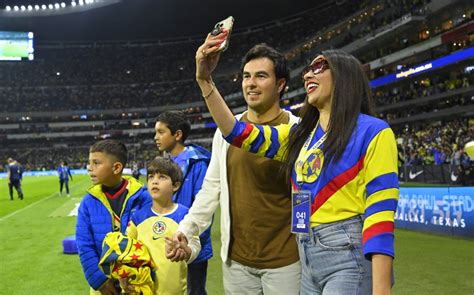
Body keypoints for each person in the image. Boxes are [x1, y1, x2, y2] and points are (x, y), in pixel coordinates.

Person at [191, 32, 398, 294]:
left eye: (320, 67)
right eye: (308, 70)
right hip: (306, 254)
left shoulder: (374, 132)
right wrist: (204, 79)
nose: (309, 74)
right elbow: (236, 133)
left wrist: (381, 289)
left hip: (347, 253)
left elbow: (380, 214)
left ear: (345, 76)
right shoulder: (300, 135)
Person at [173, 44, 301, 294]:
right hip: (238, 263)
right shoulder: (224, 133)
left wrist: (305, 245)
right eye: (246, 76)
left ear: (281, 84)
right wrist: (186, 231)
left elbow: (306, 193)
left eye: (261, 76)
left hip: (287, 261)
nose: (251, 83)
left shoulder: (299, 131)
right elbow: (211, 189)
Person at [76, 139, 152, 295]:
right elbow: (84, 245)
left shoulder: (143, 198)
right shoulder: (88, 203)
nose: (90, 168)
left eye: (96, 163)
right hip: (104, 284)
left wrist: (138, 276)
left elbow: (150, 242)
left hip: (137, 281)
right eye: (89, 163)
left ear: (116, 167)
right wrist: (100, 282)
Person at [123, 157, 201, 294]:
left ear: (175, 186)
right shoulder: (137, 217)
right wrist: (123, 275)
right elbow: (126, 249)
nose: (155, 181)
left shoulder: (185, 216)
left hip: (174, 290)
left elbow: (195, 244)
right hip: (143, 289)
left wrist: (187, 252)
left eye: (162, 177)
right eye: (151, 176)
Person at [154, 110, 212, 295]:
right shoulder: (161, 165)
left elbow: (203, 207)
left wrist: (190, 241)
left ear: (177, 134)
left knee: (194, 291)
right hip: (166, 242)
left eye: (161, 132)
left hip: (192, 244)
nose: (156, 137)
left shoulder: (198, 164)